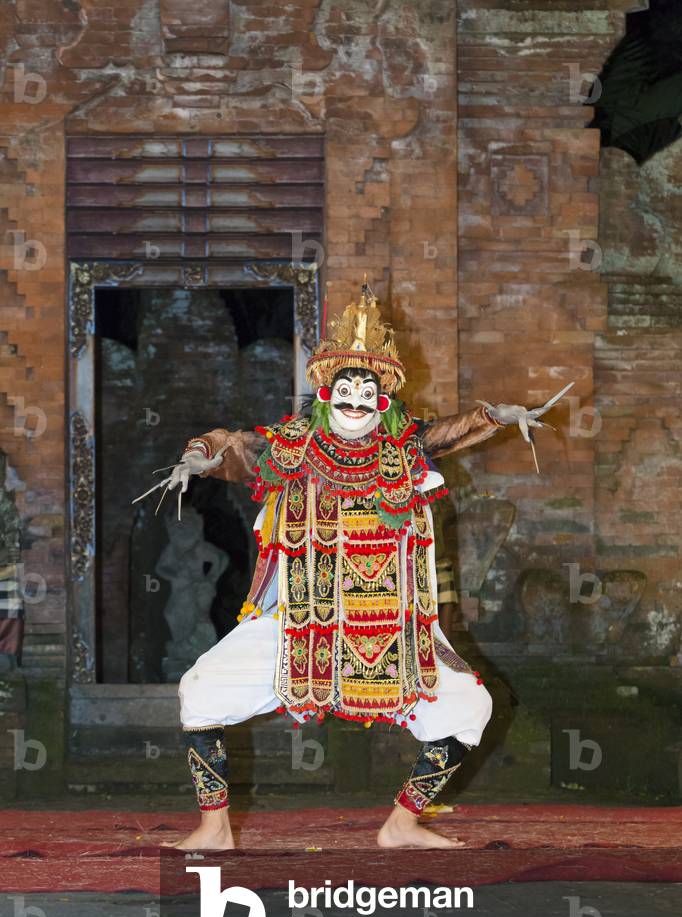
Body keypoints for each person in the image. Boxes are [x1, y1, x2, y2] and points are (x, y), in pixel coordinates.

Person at [141, 282, 553, 849]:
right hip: (296, 623)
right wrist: (197, 456)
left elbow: (449, 432)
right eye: (346, 389)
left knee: (471, 705)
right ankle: (215, 828)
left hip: (387, 631)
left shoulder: (403, 450)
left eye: (367, 391)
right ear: (327, 393)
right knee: (200, 690)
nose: (356, 400)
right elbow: (231, 444)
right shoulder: (290, 448)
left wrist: (495, 415)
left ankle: (402, 823)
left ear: (382, 400)